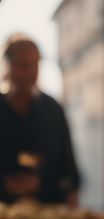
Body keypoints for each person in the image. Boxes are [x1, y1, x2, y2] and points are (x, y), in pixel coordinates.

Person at [0, 34, 80, 205]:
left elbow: (69, 171)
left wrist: (42, 184)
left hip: (47, 215)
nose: (29, 72)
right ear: (7, 66)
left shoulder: (52, 110)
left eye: (34, 65)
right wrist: (5, 184)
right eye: (22, 65)